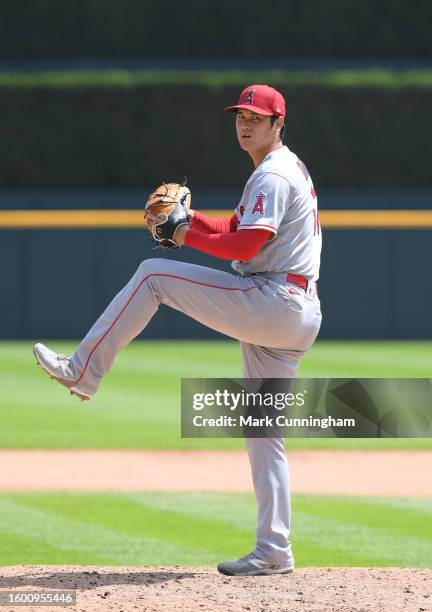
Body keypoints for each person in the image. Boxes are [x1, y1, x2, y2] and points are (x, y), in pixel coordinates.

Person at [33, 84, 322, 576]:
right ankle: (274, 549)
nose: (245, 123)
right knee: (263, 430)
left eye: (256, 116)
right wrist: (190, 221)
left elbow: (245, 247)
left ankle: (83, 371)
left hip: (273, 299)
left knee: (153, 274)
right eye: (239, 115)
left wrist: (182, 233)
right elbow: (232, 228)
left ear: (278, 122)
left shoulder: (272, 174)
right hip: (295, 310)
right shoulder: (280, 168)